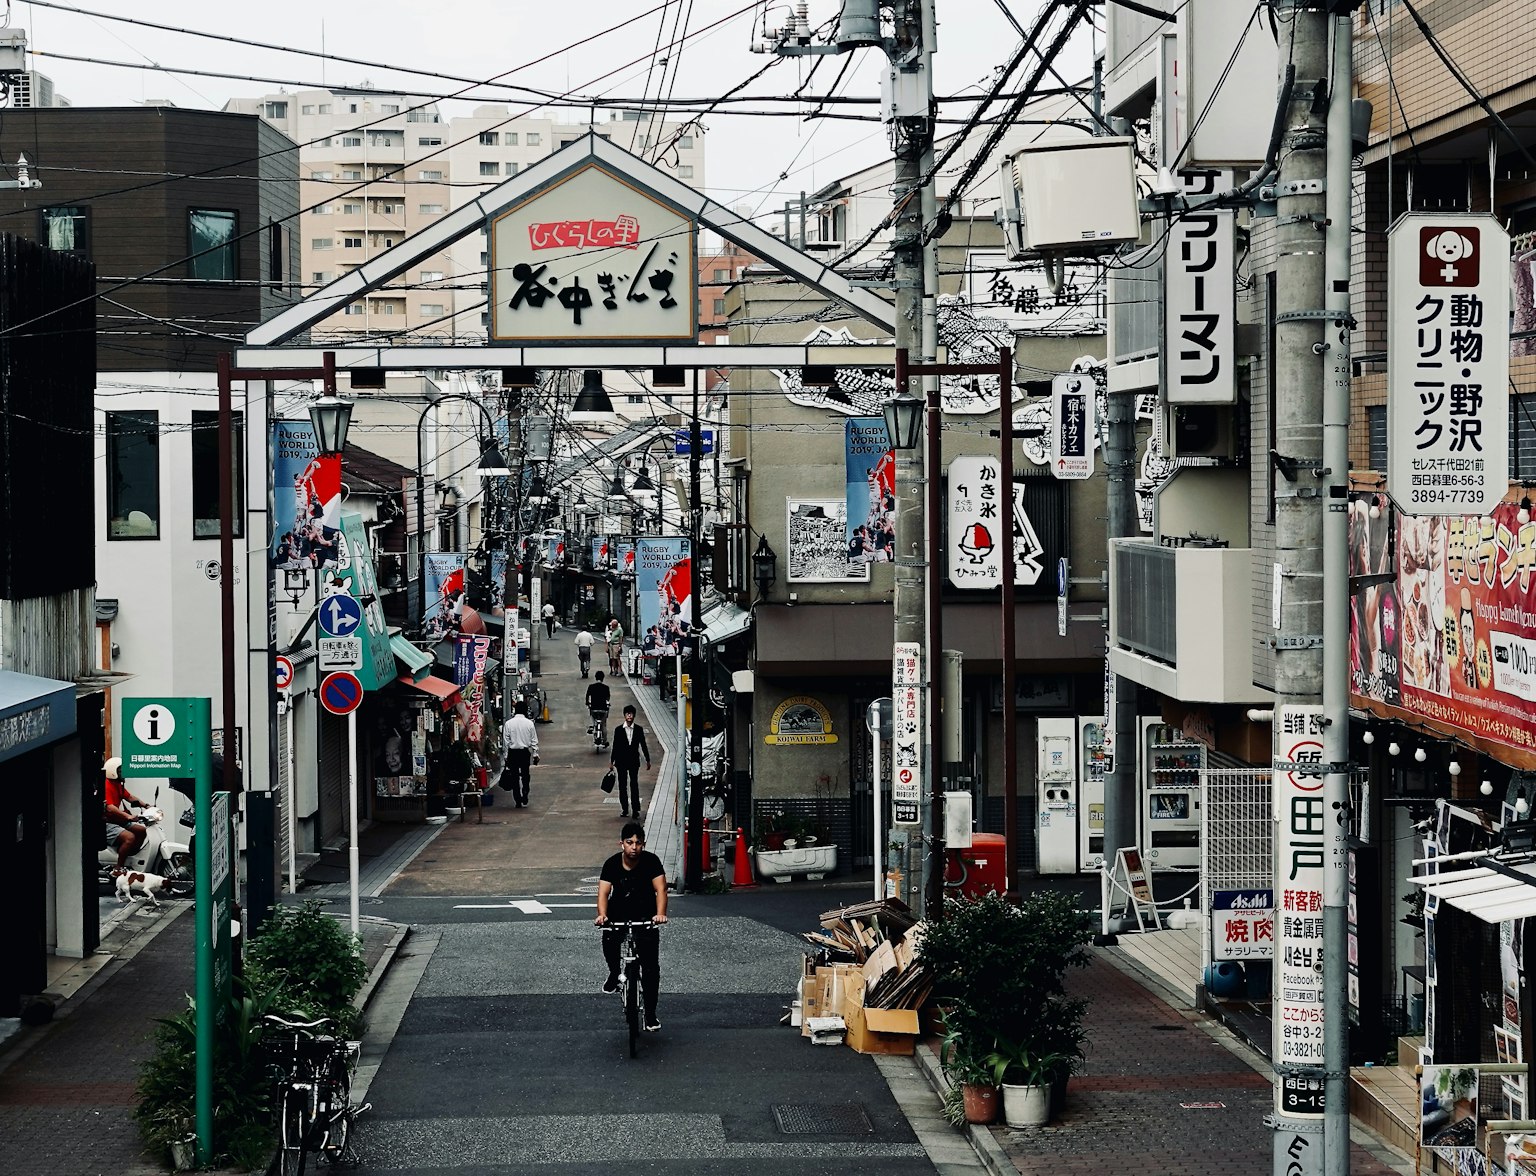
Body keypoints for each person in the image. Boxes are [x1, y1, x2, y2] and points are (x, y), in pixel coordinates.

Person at [594, 821, 668, 1032]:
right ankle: (614, 973)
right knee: (609, 939)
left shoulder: (651, 861)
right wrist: (602, 915)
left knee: (651, 968)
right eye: (629, 842)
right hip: (618, 913)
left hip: (646, 915)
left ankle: (651, 1015)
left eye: (638, 843)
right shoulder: (611, 864)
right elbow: (603, 893)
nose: (634, 847)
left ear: (643, 844)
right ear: (621, 844)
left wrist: (660, 914)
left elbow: (661, 889)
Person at [103, 756, 148, 873]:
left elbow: (130, 797)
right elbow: (110, 807)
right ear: (113, 771)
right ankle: (118, 868)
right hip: (106, 822)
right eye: (120, 770)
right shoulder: (106, 785)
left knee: (141, 830)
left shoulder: (118, 784)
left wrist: (147, 806)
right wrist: (128, 816)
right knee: (130, 837)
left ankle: (127, 856)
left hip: (116, 820)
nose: (123, 773)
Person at [609, 704, 651, 819]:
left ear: (634, 716)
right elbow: (615, 746)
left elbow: (643, 745)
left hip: (633, 761)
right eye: (627, 714)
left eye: (631, 714)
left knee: (634, 785)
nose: (629, 716)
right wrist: (611, 761)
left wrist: (647, 759)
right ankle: (625, 809)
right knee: (622, 786)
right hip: (621, 761)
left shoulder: (638, 729)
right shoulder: (618, 730)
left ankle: (636, 809)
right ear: (624, 715)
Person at [501, 701, 539, 807]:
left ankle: (517, 799)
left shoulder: (508, 724)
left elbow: (506, 742)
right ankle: (525, 790)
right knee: (525, 774)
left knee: (515, 777)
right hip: (524, 752)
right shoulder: (529, 723)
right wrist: (535, 753)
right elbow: (534, 740)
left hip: (513, 753)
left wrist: (505, 756)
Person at [585, 671, 612, 747]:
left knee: (594, 720)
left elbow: (587, 696)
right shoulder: (606, 688)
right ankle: (605, 741)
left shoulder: (591, 687)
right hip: (603, 709)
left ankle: (593, 727)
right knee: (603, 725)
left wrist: (587, 703)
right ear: (603, 678)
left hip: (594, 709)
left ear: (595, 677)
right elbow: (608, 698)